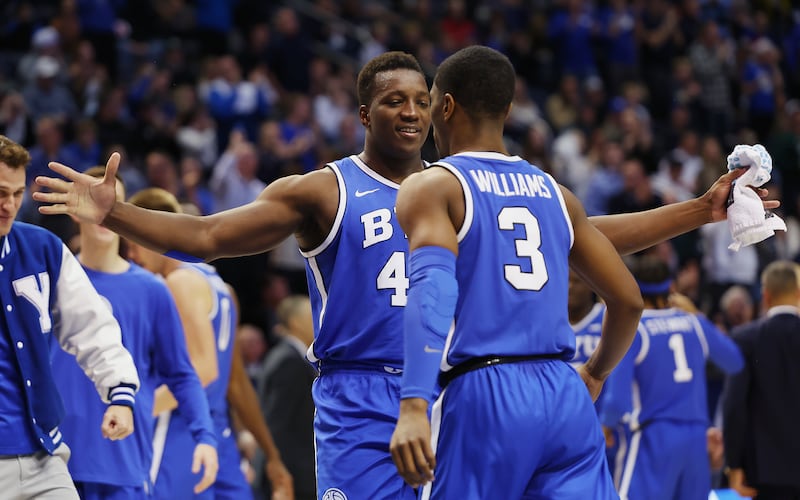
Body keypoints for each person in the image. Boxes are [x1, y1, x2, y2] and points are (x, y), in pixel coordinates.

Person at [33, 50, 777, 499]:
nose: (411, 112)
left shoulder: (458, 186)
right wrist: (114, 215)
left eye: (423, 100)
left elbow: (587, 235)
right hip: (361, 396)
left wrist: (694, 213)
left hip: (451, 391)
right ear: (363, 113)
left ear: (441, 107)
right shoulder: (323, 189)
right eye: (394, 101)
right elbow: (210, 234)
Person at [388, 45, 644, 499]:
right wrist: (596, 373)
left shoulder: (434, 184)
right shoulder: (557, 195)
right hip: (565, 393)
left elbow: (433, 290)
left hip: (486, 390)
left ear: (445, 107)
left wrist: (412, 403)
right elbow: (627, 300)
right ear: (507, 110)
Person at [50, 166, 219, 499]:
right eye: (93, 199)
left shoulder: (153, 291)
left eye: (113, 203)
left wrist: (205, 437)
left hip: (124, 464)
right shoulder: (51, 280)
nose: (102, 212)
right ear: (74, 209)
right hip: (54, 464)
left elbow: (182, 374)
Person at [124, 188, 292, 500]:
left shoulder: (179, 282)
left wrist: (135, 409)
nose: (132, 255)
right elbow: (236, 383)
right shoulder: (221, 287)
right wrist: (270, 453)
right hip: (219, 432)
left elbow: (203, 370)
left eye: (134, 242)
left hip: (182, 429)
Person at [0, 135, 140, 500]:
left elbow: (91, 325)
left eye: (17, 194)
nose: (9, 205)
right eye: (0, 193)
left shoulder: (43, 248)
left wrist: (119, 394)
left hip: (43, 454)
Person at [600, 255, 743, 500]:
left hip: (654, 437)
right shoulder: (693, 323)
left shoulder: (634, 329)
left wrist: (605, 428)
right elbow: (734, 361)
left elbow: (617, 401)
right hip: (697, 438)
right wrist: (697, 314)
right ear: (672, 288)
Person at [722, 260, 800, 499]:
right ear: (798, 293)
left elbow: (734, 406)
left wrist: (734, 465)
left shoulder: (745, 338)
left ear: (765, 295)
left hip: (762, 470)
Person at [254, 295, 317, 500]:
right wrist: (278, 476)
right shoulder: (288, 361)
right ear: (295, 322)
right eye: (312, 313)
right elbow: (276, 424)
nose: (319, 318)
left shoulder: (293, 357)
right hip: (294, 477)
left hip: (299, 474)